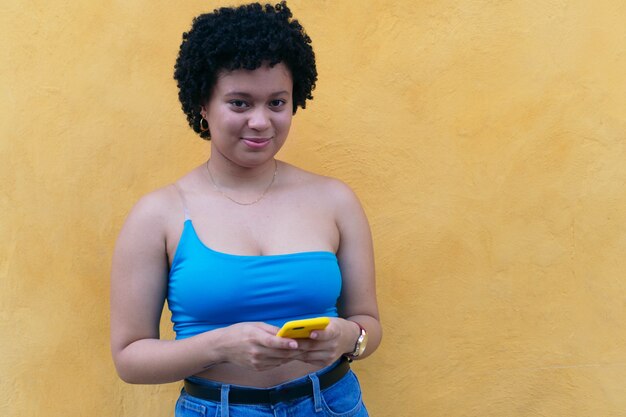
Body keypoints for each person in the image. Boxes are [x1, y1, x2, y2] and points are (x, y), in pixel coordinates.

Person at [110, 2, 382, 416]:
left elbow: (368, 324)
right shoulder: (158, 215)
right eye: (239, 103)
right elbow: (129, 359)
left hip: (332, 403)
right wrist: (219, 345)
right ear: (203, 103)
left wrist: (349, 337)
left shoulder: (335, 200)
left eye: (277, 102)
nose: (260, 121)